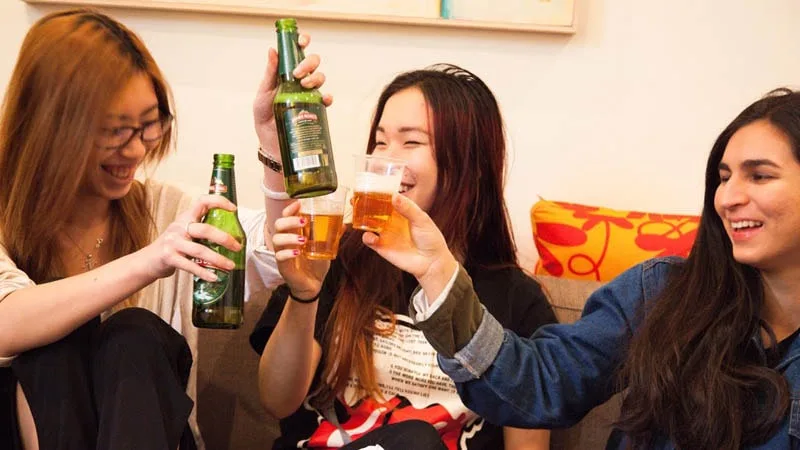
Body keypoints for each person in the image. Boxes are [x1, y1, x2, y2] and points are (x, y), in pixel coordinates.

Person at [350, 86, 800, 449]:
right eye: (723, 178)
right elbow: (539, 386)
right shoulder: (661, 292)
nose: (728, 197)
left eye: (759, 176)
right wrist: (438, 274)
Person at [0, 9, 325, 449]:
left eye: (149, 125)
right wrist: (150, 261)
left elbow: (274, 253)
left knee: (135, 332)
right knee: (54, 350)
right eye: (115, 131)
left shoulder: (164, 209)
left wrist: (272, 140)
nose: (136, 149)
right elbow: (7, 320)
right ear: (51, 126)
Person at [254, 63, 556, 449]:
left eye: (410, 142)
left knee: (417, 438)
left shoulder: (516, 302)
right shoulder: (336, 259)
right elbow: (277, 402)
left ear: (467, 163)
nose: (386, 160)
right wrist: (304, 295)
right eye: (380, 142)